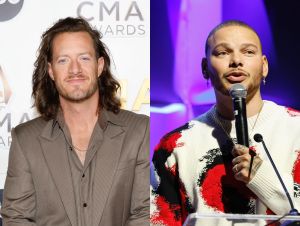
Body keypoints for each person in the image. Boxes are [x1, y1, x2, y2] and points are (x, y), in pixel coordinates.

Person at [1, 17, 149, 226]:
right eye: (63, 60)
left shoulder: (140, 131)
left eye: (84, 58)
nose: (75, 69)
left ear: (99, 66)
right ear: (51, 70)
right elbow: (17, 217)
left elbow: (145, 213)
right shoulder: (26, 140)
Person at [150, 20, 300, 225]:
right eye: (222, 53)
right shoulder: (176, 145)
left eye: (248, 52)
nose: (236, 61)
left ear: (264, 66)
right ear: (205, 68)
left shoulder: (295, 128)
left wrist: (262, 177)